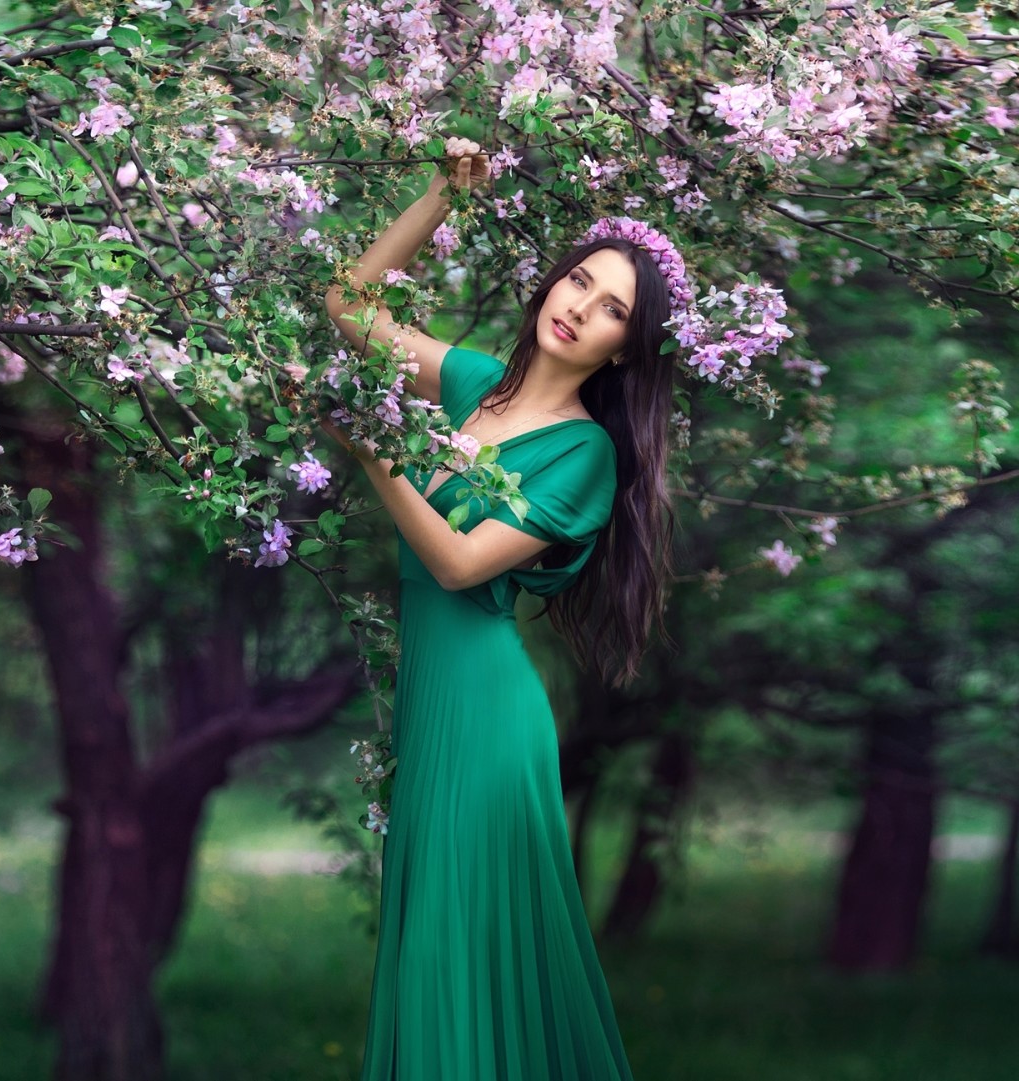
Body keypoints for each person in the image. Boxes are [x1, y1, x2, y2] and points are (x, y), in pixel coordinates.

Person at [320, 136, 678, 1081]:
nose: (581, 310)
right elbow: (348, 305)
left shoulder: (586, 454)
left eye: (613, 312)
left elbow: (457, 564)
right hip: (435, 705)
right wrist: (445, 190)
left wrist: (376, 454)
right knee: (433, 953)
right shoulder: (479, 382)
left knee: (453, 950)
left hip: (485, 719)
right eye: (581, 284)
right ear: (552, 283)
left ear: (622, 349)